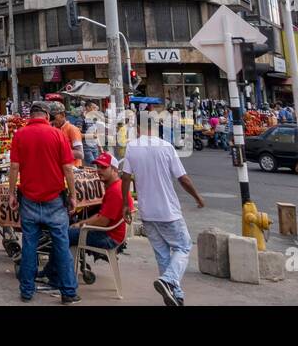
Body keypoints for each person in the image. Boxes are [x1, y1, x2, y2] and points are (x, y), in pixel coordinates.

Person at [120, 131, 206, 306]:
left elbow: (126, 178)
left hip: (147, 212)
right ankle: (168, 280)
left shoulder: (132, 147)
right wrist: (197, 197)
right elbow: (183, 179)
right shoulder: (166, 147)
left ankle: (176, 295)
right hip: (168, 211)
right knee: (183, 246)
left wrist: (126, 204)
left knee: (162, 255)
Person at [7, 101, 79, 303]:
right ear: (47, 116)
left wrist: (12, 193)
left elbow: (14, 167)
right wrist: (72, 195)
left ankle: (27, 291)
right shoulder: (58, 135)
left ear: (31, 116)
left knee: (29, 246)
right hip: (55, 199)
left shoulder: (20, 135)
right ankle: (69, 293)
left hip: (29, 199)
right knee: (61, 246)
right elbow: (68, 169)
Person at [68, 152, 126, 252]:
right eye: (98, 167)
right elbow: (101, 216)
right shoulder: (115, 186)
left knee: (63, 236)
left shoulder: (115, 190)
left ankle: (57, 268)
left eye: (103, 167)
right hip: (112, 232)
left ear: (114, 170)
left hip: (110, 237)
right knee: (68, 231)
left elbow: (102, 221)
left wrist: (79, 225)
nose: (98, 170)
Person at [48, 103, 84, 168]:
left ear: (62, 115)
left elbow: (80, 154)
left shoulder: (72, 129)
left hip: (73, 169)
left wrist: (58, 152)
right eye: (50, 118)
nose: (52, 121)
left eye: (54, 118)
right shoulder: (52, 129)